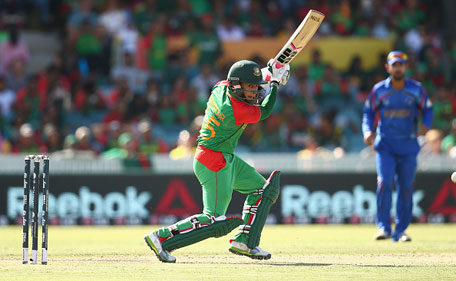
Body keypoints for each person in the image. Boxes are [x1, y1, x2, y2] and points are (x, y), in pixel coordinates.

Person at [144, 59, 290, 263]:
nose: (255, 92)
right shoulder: (235, 110)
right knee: (214, 219)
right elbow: (264, 111)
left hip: (225, 155)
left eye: (256, 87)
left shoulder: (221, 87)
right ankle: (161, 238)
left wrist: (267, 73)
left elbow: (244, 84)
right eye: (250, 87)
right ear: (237, 85)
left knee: (263, 190)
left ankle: (245, 242)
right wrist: (274, 84)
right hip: (213, 161)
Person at [362, 51, 433, 242]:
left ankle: (400, 231)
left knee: (406, 188)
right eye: (394, 64)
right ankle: (383, 228)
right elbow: (368, 113)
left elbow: (428, 109)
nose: (398, 67)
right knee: (384, 183)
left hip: (409, 145)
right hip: (385, 145)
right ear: (388, 67)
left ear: (406, 67)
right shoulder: (379, 90)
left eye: (401, 64)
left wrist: (426, 123)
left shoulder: (416, 89)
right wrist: (368, 132)